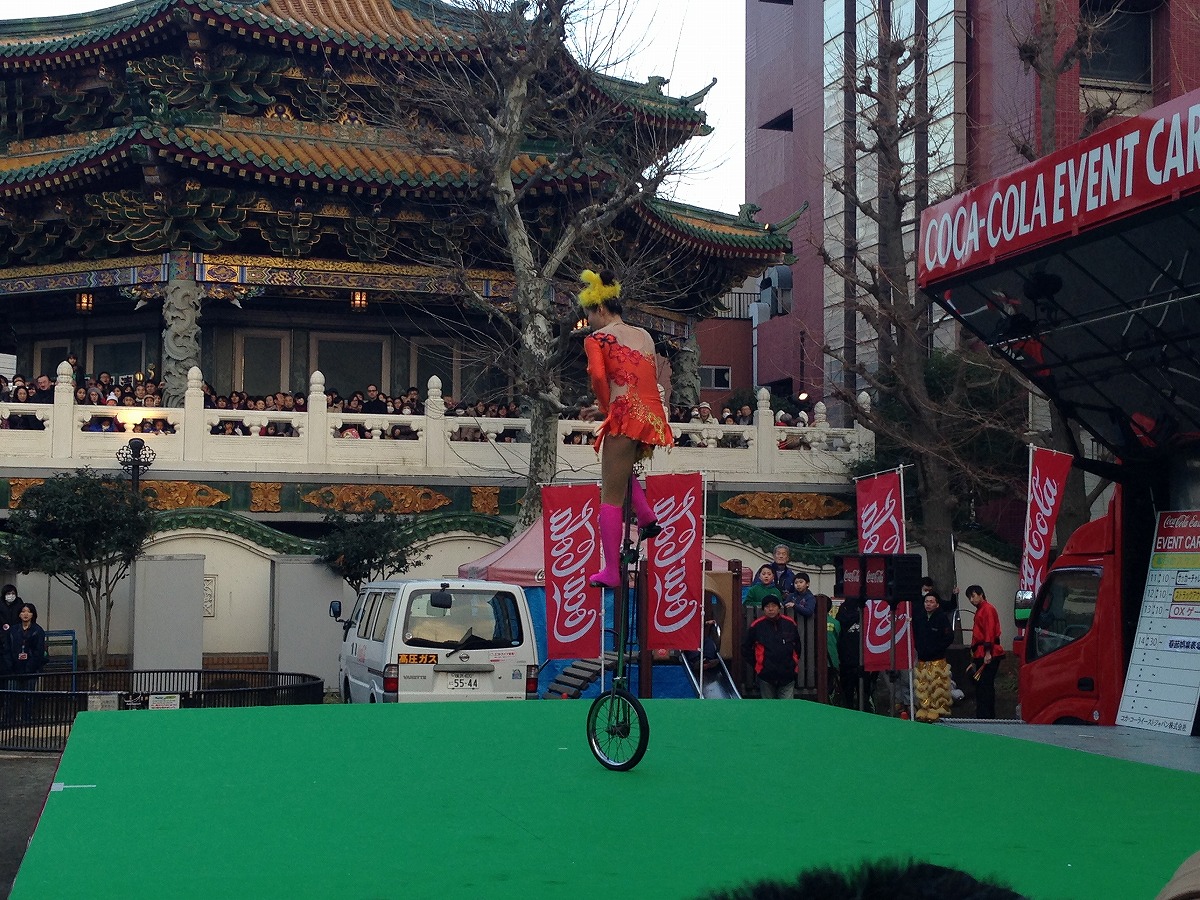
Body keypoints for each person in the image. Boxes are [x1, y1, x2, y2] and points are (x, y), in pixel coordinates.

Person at [578, 268, 673, 587]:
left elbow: (599, 377)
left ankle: (611, 570)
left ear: (600, 308)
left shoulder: (596, 339)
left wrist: (606, 409)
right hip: (652, 417)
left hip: (624, 415)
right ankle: (646, 516)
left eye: (589, 315)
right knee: (619, 471)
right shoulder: (645, 335)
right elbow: (642, 378)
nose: (589, 322)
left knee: (610, 495)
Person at [741, 595, 801, 699]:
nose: (770, 609)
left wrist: (793, 662)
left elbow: (797, 646)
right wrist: (759, 665)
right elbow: (746, 648)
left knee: (788, 707)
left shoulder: (790, 623)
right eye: (767, 606)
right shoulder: (756, 626)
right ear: (763, 609)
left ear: (779, 608)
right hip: (766, 676)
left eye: (773, 606)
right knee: (768, 707)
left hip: (787, 674)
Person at [913, 589, 954, 722]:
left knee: (938, 685)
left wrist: (937, 648)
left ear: (937, 604)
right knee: (923, 685)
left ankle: (938, 709)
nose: (928, 604)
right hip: (922, 658)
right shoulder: (919, 617)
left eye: (931, 602)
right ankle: (924, 708)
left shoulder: (941, 618)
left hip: (937, 658)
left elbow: (949, 637)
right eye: (926, 601)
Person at [966, 584, 1005, 718]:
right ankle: (985, 715)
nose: (971, 600)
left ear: (981, 594)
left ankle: (986, 716)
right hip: (982, 652)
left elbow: (989, 632)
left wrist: (988, 652)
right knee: (982, 686)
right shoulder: (982, 609)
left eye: (973, 596)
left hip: (988, 653)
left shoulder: (987, 609)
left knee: (984, 686)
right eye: (969, 598)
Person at [8, 602, 46, 723]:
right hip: (14, 670)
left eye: (28, 612)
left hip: (30, 670)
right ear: (19, 614)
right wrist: (11, 665)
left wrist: (30, 667)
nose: (25, 614)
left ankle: (27, 720)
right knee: (11, 696)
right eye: (23, 611)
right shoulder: (13, 630)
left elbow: (39, 652)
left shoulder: (38, 631)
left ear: (33, 614)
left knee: (28, 696)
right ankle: (9, 720)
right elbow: (8, 649)